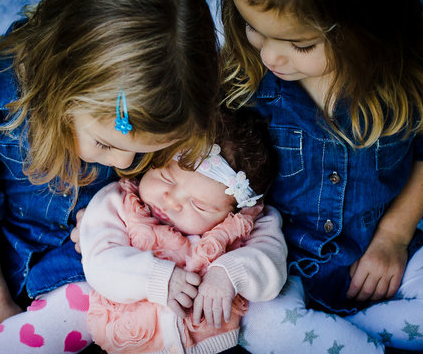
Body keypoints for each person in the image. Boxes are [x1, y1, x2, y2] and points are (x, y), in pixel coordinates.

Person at [0, 0, 221, 352]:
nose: (126, 164)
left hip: (82, 270)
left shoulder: (175, 99)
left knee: (85, 306)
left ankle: (10, 339)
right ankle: (1, 328)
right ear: (62, 89)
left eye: (146, 154)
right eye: (104, 145)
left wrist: (115, 220)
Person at [218, 0, 423, 353]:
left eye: (301, 45)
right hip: (280, 264)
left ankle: (321, 337)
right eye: (253, 29)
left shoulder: (418, 72)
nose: (269, 55)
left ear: (368, 30)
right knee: (263, 329)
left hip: (378, 246)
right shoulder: (247, 80)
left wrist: (394, 237)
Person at [78, 108, 287, 353]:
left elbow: (271, 263)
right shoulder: (118, 204)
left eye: (198, 205)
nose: (172, 201)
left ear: (233, 211)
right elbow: (100, 261)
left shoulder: (245, 224)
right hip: (131, 342)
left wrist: (229, 274)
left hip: (216, 346)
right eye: (166, 178)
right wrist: (155, 278)